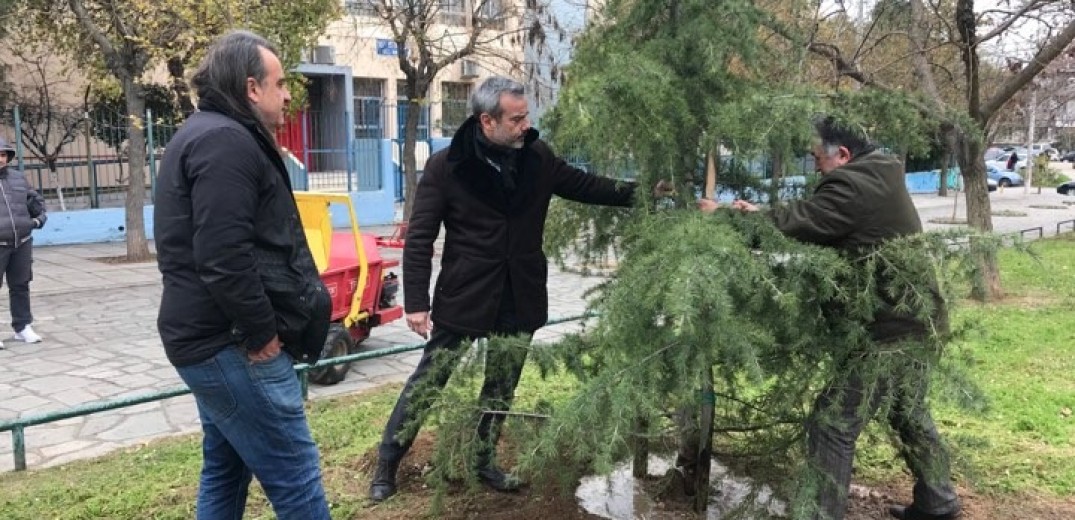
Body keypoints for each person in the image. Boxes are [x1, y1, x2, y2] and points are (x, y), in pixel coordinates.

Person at [369, 76, 662, 501]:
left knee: (501, 385)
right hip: (465, 295)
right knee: (430, 380)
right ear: (487, 121)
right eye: (517, 118)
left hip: (519, 292)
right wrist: (416, 302)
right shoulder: (446, 166)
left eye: (527, 117)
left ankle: (483, 458)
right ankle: (387, 463)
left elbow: (584, 185)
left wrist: (645, 194)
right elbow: (419, 239)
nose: (526, 125)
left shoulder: (537, 157)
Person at [705, 117, 961, 520]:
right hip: (913, 322)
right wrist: (759, 213)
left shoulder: (851, 186)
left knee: (832, 422)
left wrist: (722, 217)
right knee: (908, 412)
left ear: (842, 155)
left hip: (888, 333)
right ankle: (939, 502)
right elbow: (816, 219)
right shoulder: (876, 174)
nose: (814, 166)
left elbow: (803, 220)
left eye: (816, 158)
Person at [154, 30, 332, 520]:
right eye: (279, 84)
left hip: (210, 338)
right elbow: (222, 256)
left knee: (226, 469)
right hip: (231, 343)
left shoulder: (210, 132)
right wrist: (262, 334)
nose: (289, 93)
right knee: (296, 475)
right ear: (252, 88)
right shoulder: (225, 141)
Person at [0, 136, 46, 347]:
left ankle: (22, 326)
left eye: (3, 155)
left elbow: (36, 203)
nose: (0, 159)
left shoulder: (19, 178)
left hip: (22, 242)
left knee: (20, 285)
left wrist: (37, 221)